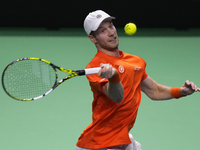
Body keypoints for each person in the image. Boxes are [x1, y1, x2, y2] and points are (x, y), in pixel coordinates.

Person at [75, 10, 200, 150]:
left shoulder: (134, 62)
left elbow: (154, 90)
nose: (111, 32)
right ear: (93, 38)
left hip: (123, 140)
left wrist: (181, 91)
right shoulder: (96, 67)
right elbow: (117, 97)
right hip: (99, 144)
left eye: (111, 26)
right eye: (103, 31)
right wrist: (114, 77)